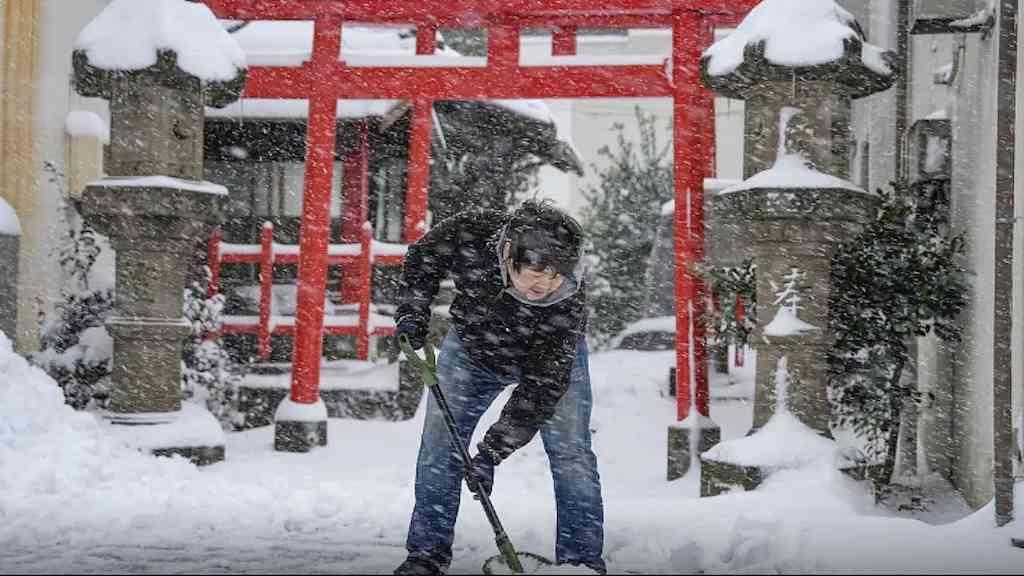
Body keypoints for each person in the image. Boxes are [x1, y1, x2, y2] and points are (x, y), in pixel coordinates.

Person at [393, 200, 605, 575]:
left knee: (571, 454)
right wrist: (413, 312)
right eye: (536, 272)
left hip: (546, 362)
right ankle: (426, 554)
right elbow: (423, 257)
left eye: (556, 276)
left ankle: (581, 560)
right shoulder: (472, 233)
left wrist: (491, 453)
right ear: (509, 254)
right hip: (472, 352)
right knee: (440, 448)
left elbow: (541, 389)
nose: (545, 285)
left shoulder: (567, 306)